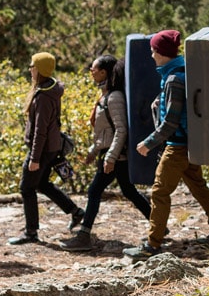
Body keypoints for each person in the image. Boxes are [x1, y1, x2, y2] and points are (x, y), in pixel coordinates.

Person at [122, 30, 209, 259]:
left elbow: (170, 122)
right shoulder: (179, 72)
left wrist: (147, 144)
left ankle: (152, 245)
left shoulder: (173, 79)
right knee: (199, 187)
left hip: (176, 146)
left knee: (159, 192)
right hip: (188, 144)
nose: (151, 55)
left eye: (153, 51)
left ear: (161, 53)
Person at [60, 55, 153, 252]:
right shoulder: (106, 95)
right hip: (112, 154)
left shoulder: (114, 97)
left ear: (104, 72)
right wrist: (94, 151)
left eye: (93, 68)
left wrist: (110, 157)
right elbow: (106, 132)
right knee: (129, 192)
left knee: (94, 191)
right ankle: (159, 226)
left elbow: (121, 130)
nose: (91, 71)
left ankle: (84, 235)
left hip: (116, 156)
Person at [8, 52, 86, 245]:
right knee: (42, 184)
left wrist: (34, 158)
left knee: (26, 188)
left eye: (32, 66)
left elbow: (40, 131)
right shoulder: (50, 87)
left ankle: (31, 232)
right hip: (51, 148)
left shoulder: (43, 96)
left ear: (40, 69)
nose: (30, 69)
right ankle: (76, 212)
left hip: (42, 149)